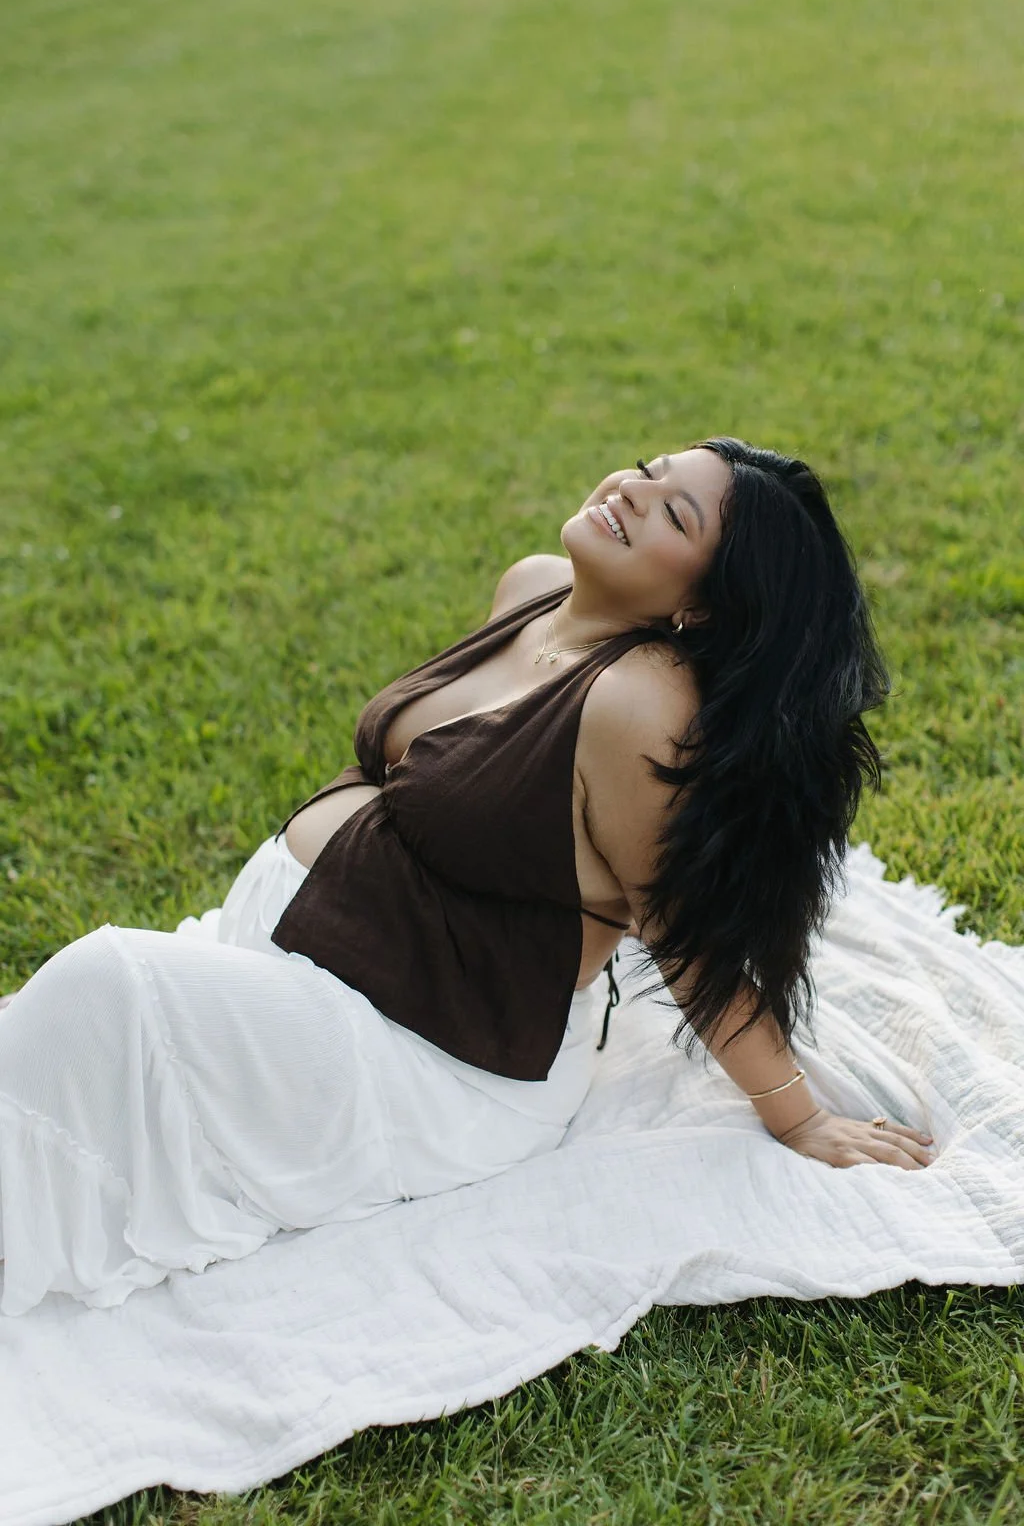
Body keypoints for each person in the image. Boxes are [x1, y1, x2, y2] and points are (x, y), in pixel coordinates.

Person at [0, 436, 935, 1316]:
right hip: (310, 970)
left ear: (703, 605)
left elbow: (690, 938)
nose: (630, 493)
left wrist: (796, 1118)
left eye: (673, 516)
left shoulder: (637, 705)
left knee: (105, 982)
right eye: (647, 472)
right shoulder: (535, 589)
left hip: (429, 1061)